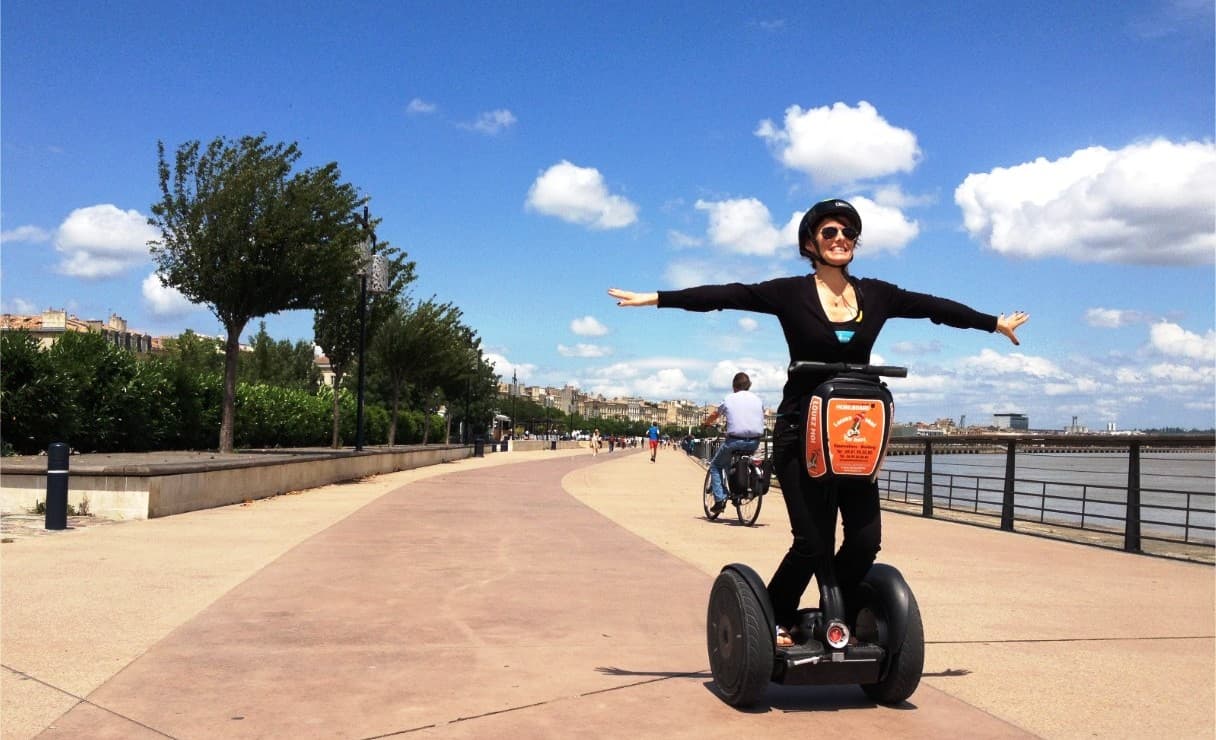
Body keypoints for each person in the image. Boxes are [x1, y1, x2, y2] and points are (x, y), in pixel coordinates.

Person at [608, 197, 1028, 647]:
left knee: (866, 542)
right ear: (811, 242)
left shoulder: (877, 295)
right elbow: (729, 295)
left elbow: (933, 308)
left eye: (848, 232)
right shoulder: (790, 293)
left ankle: (838, 609)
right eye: (830, 232)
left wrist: (993, 324)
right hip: (800, 433)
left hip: (855, 437)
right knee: (812, 541)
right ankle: (778, 614)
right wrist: (656, 298)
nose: (841, 239)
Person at [703, 372, 766, 513]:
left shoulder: (729, 399)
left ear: (734, 386)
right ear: (748, 386)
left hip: (734, 441)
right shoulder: (757, 399)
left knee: (716, 465)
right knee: (738, 460)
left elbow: (715, 414)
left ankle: (720, 500)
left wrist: (706, 423)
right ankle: (738, 492)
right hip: (755, 442)